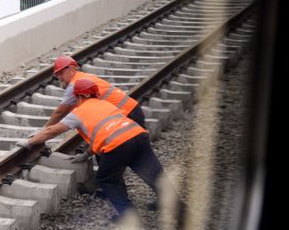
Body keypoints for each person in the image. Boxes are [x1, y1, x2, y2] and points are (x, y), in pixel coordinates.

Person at [17, 78, 178, 220]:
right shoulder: (105, 103)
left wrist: (29, 142)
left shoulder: (78, 112)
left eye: (76, 97)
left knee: (107, 179)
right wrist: (87, 154)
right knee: (155, 175)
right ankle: (182, 214)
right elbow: (105, 131)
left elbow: (51, 131)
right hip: (139, 136)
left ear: (81, 96)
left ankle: (129, 218)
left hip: (119, 144)